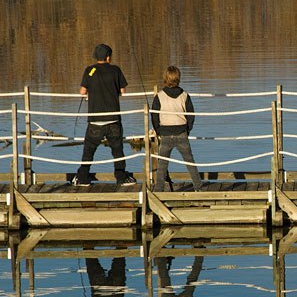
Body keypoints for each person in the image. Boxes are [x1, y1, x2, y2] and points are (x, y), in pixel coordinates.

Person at [72, 44, 136, 186]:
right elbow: (123, 91)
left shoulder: (90, 70)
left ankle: (82, 178)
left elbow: (82, 92)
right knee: (117, 150)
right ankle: (121, 177)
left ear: (96, 57)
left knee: (89, 150)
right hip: (113, 119)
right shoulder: (115, 70)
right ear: (108, 57)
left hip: (95, 121)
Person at [151, 66, 203, 192]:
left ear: (165, 78)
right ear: (178, 78)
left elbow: (154, 116)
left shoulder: (159, 96)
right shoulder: (185, 95)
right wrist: (187, 129)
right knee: (190, 161)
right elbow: (191, 115)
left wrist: (159, 131)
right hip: (181, 133)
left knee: (162, 164)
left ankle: (158, 190)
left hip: (165, 134)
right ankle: (198, 187)